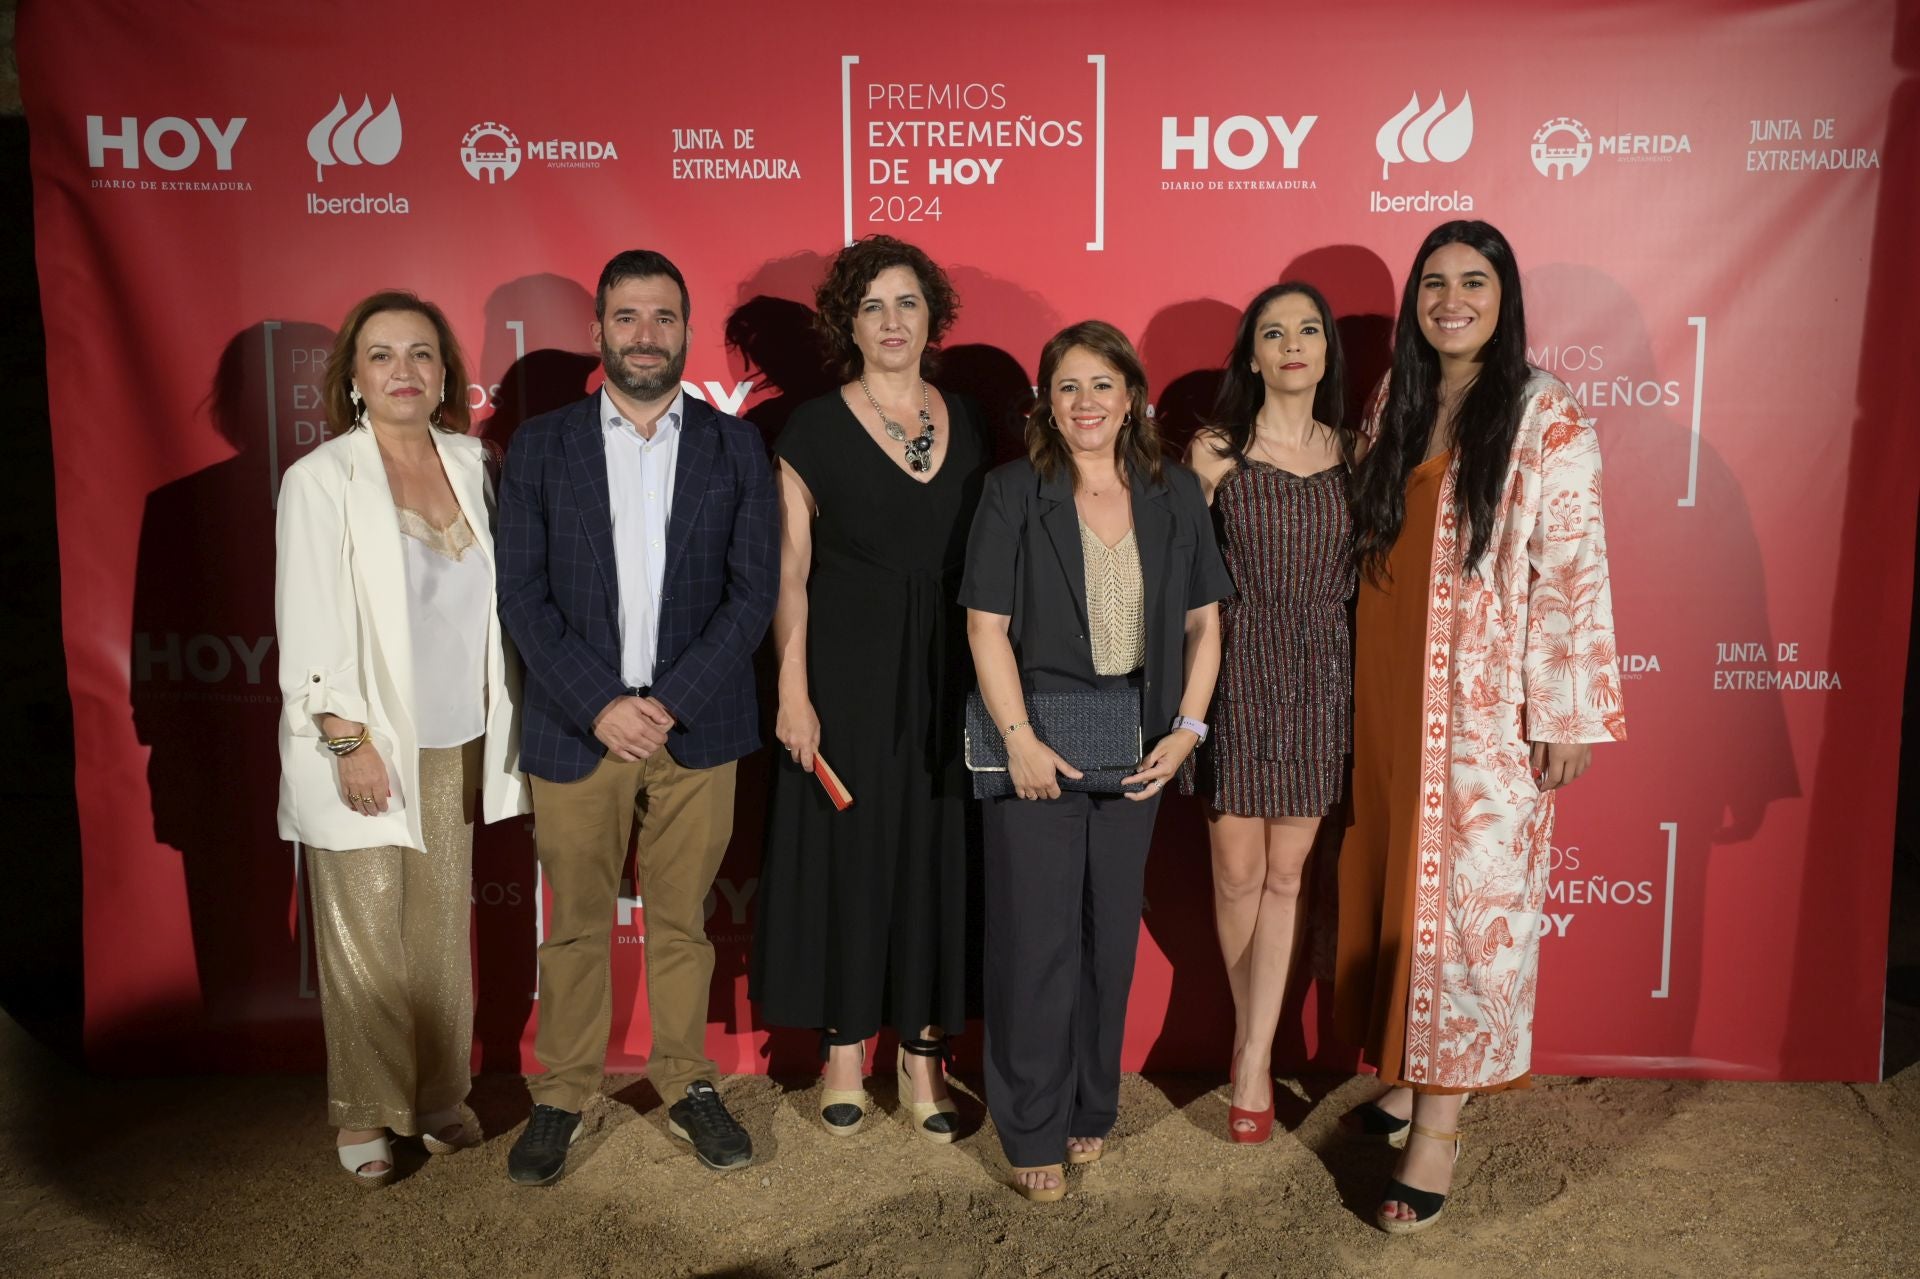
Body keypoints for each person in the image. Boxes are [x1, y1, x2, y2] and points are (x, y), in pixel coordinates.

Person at [1337, 221, 1625, 1233]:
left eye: (1472, 281)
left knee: (1468, 913)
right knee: (1399, 897)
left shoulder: (1545, 411)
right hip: (1385, 691)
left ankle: (1439, 1132)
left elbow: (1573, 568)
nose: (1449, 299)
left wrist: (1567, 707)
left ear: (1504, 297)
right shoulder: (1395, 397)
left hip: (1478, 707)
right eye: (1433, 283)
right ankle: (1415, 1075)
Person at [496, 249, 778, 1182]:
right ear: (598, 332)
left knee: (683, 921)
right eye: (627, 318)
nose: (646, 335)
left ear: (686, 331)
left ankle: (687, 1081)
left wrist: (665, 705)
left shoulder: (736, 445)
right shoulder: (541, 445)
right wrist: (604, 705)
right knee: (574, 921)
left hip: (697, 728)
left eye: (663, 318)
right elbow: (522, 597)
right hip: (578, 730)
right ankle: (564, 1093)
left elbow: (752, 595)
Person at [962, 321, 1231, 1201]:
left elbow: (1204, 623)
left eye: (1103, 385)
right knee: (1034, 944)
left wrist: (1188, 728)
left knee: (1106, 944)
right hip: (1033, 740)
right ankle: (1030, 1123)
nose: (1086, 403)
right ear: (1047, 401)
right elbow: (985, 626)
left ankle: (1091, 1104)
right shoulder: (1011, 491)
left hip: (1143, 746)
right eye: (1068, 386)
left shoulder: (1175, 491)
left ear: (1133, 398)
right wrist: (1019, 740)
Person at [274, 290, 529, 1184]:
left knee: (436, 930)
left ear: (445, 373)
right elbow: (307, 622)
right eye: (382, 356)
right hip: (366, 739)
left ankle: (434, 1095)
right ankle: (367, 1113)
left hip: (457, 735)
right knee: (363, 934)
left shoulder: (473, 461)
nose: (403, 372)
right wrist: (347, 739)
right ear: (353, 378)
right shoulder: (321, 480)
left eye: (421, 354)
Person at [751, 237, 988, 1140]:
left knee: (937, 853)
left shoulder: (969, 414)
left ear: (933, 318)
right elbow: (789, 573)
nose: (892, 322)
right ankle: (844, 1050)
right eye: (873, 307)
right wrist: (793, 691)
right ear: (847, 324)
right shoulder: (809, 428)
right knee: (849, 856)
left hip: (950, 675)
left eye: (908, 304)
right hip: (845, 677)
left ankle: (922, 1059)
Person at [1184, 282, 1357, 1143]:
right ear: (1252, 355)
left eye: (1309, 330)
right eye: (1274, 332)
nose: (1294, 344)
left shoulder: (1359, 454)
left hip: (1326, 674)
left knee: (1290, 877)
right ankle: (1254, 1041)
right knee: (1234, 873)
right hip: (1236, 669)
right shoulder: (1215, 453)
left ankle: (1250, 1059)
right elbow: (1185, 583)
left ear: (1327, 351)